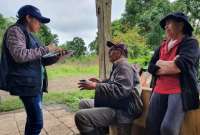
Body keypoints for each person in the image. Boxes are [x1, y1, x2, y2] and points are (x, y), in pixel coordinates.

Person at [1, 5, 64, 135]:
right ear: (28, 17)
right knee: (37, 122)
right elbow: (20, 55)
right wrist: (47, 48)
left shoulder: (32, 36)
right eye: (38, 20)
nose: (40, 24)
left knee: (32, 120)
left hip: (35, 84)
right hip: (26, 85)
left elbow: (41, 60)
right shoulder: (15, 31)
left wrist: (58, 57)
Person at [146, 12, 200, 135]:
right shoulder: (162, 46)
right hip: (158, 89)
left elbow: (180, 66)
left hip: (179, 90)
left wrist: (161, 64)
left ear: (181, 25)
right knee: (151, 125)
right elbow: (151, 66)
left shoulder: (191, 43)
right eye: (165, 24)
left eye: (168, 23)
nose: (165, 27)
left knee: (168, 128)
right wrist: (171, 63)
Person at [75, 41, 141, 135]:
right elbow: (115, 83)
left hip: (123, 111)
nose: (109, 52)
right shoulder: (119, 65)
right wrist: (100, 82)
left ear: (119, 52)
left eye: (112, 50)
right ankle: (100, 131)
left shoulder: (124, 65)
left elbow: (121, 90)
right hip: (116, 104)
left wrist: (95, 86)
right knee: (83, 103)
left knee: (81, 117)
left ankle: (98, 131)